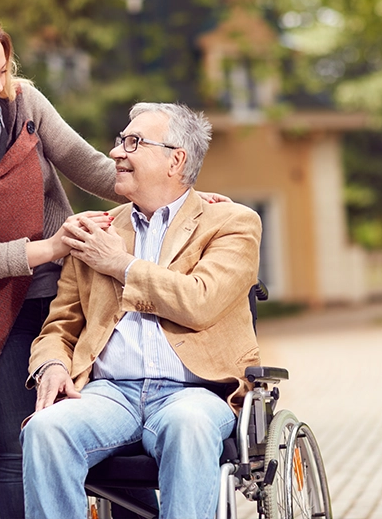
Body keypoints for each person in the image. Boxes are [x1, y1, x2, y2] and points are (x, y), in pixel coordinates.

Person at [0, 12, 228, 518]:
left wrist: (177, 193)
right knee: (15, 449)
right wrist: (51, 248)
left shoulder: (23, 104)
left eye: (3, 71)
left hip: (71, 289)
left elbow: (92, 166)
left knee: (118, 422)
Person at [21, 102, 263, 519]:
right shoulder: (96, 229)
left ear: (176, 159)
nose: (116, 152)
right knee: (44, 429)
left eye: (133, 142)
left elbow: (200, 301)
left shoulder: (232, 223)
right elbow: (59, 328)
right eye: (120, 141)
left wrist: (121, 265)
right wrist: (52, 367)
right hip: (109, 393)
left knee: (188, 427)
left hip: (195, 392)